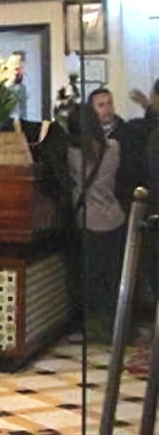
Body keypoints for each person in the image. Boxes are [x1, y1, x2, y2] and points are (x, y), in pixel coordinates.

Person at [67, 102, 125, 343]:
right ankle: (115, 327)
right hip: (114, 217)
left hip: (89, 220)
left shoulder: (72, 154)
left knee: (90, 279)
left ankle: (93, 329)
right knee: (112, 277)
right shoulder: (113, 147)